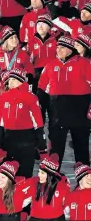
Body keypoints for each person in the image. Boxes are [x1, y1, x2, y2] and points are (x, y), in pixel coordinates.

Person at [37, 36, 91, 166]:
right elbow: (42, 92)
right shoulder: (50, 66)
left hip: (80, 116)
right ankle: (52, 183)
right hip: (57, 117)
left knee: (81, 151)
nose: (58, 50)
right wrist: (41, 114)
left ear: (70, 50)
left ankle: (84, 184)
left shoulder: (84, 63)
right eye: (58, 47)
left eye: (62, 47)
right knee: (55, 153)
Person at [0, 68, 46, 177]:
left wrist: (42, 148)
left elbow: (38, 125)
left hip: (27, 142)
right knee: (9, 176)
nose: (10, 82)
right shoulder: (3, 97)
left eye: (14, 79)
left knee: (25, 176)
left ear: (22, 81)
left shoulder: (31, 97)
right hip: (9, 141)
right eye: (9, 79)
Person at [26, 154, 70, 221]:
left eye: (42, 173)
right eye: (39, 172)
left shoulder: (62, 184)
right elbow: (24, 199)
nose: (39, 175)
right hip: (36, 218)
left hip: (56, 218)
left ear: (50, 175)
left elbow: (66, 203)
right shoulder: (34, 182)